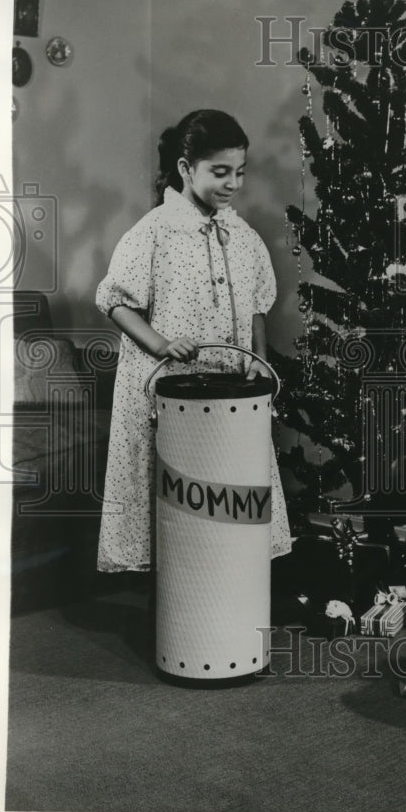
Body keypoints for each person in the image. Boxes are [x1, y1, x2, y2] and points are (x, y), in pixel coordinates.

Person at [96, 109, 291, 574]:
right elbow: (114, 300)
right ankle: (175, 604)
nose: (233, 183)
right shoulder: (155, 231)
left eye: (239, 172)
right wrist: (161, 343)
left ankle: (224, 592)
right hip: (171, 393)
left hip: (230, 392)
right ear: (186, 170)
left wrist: (259, 361)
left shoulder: (242, 236)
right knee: (177, 495)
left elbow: (256, 306)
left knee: (225, 488)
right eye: (219, 172)